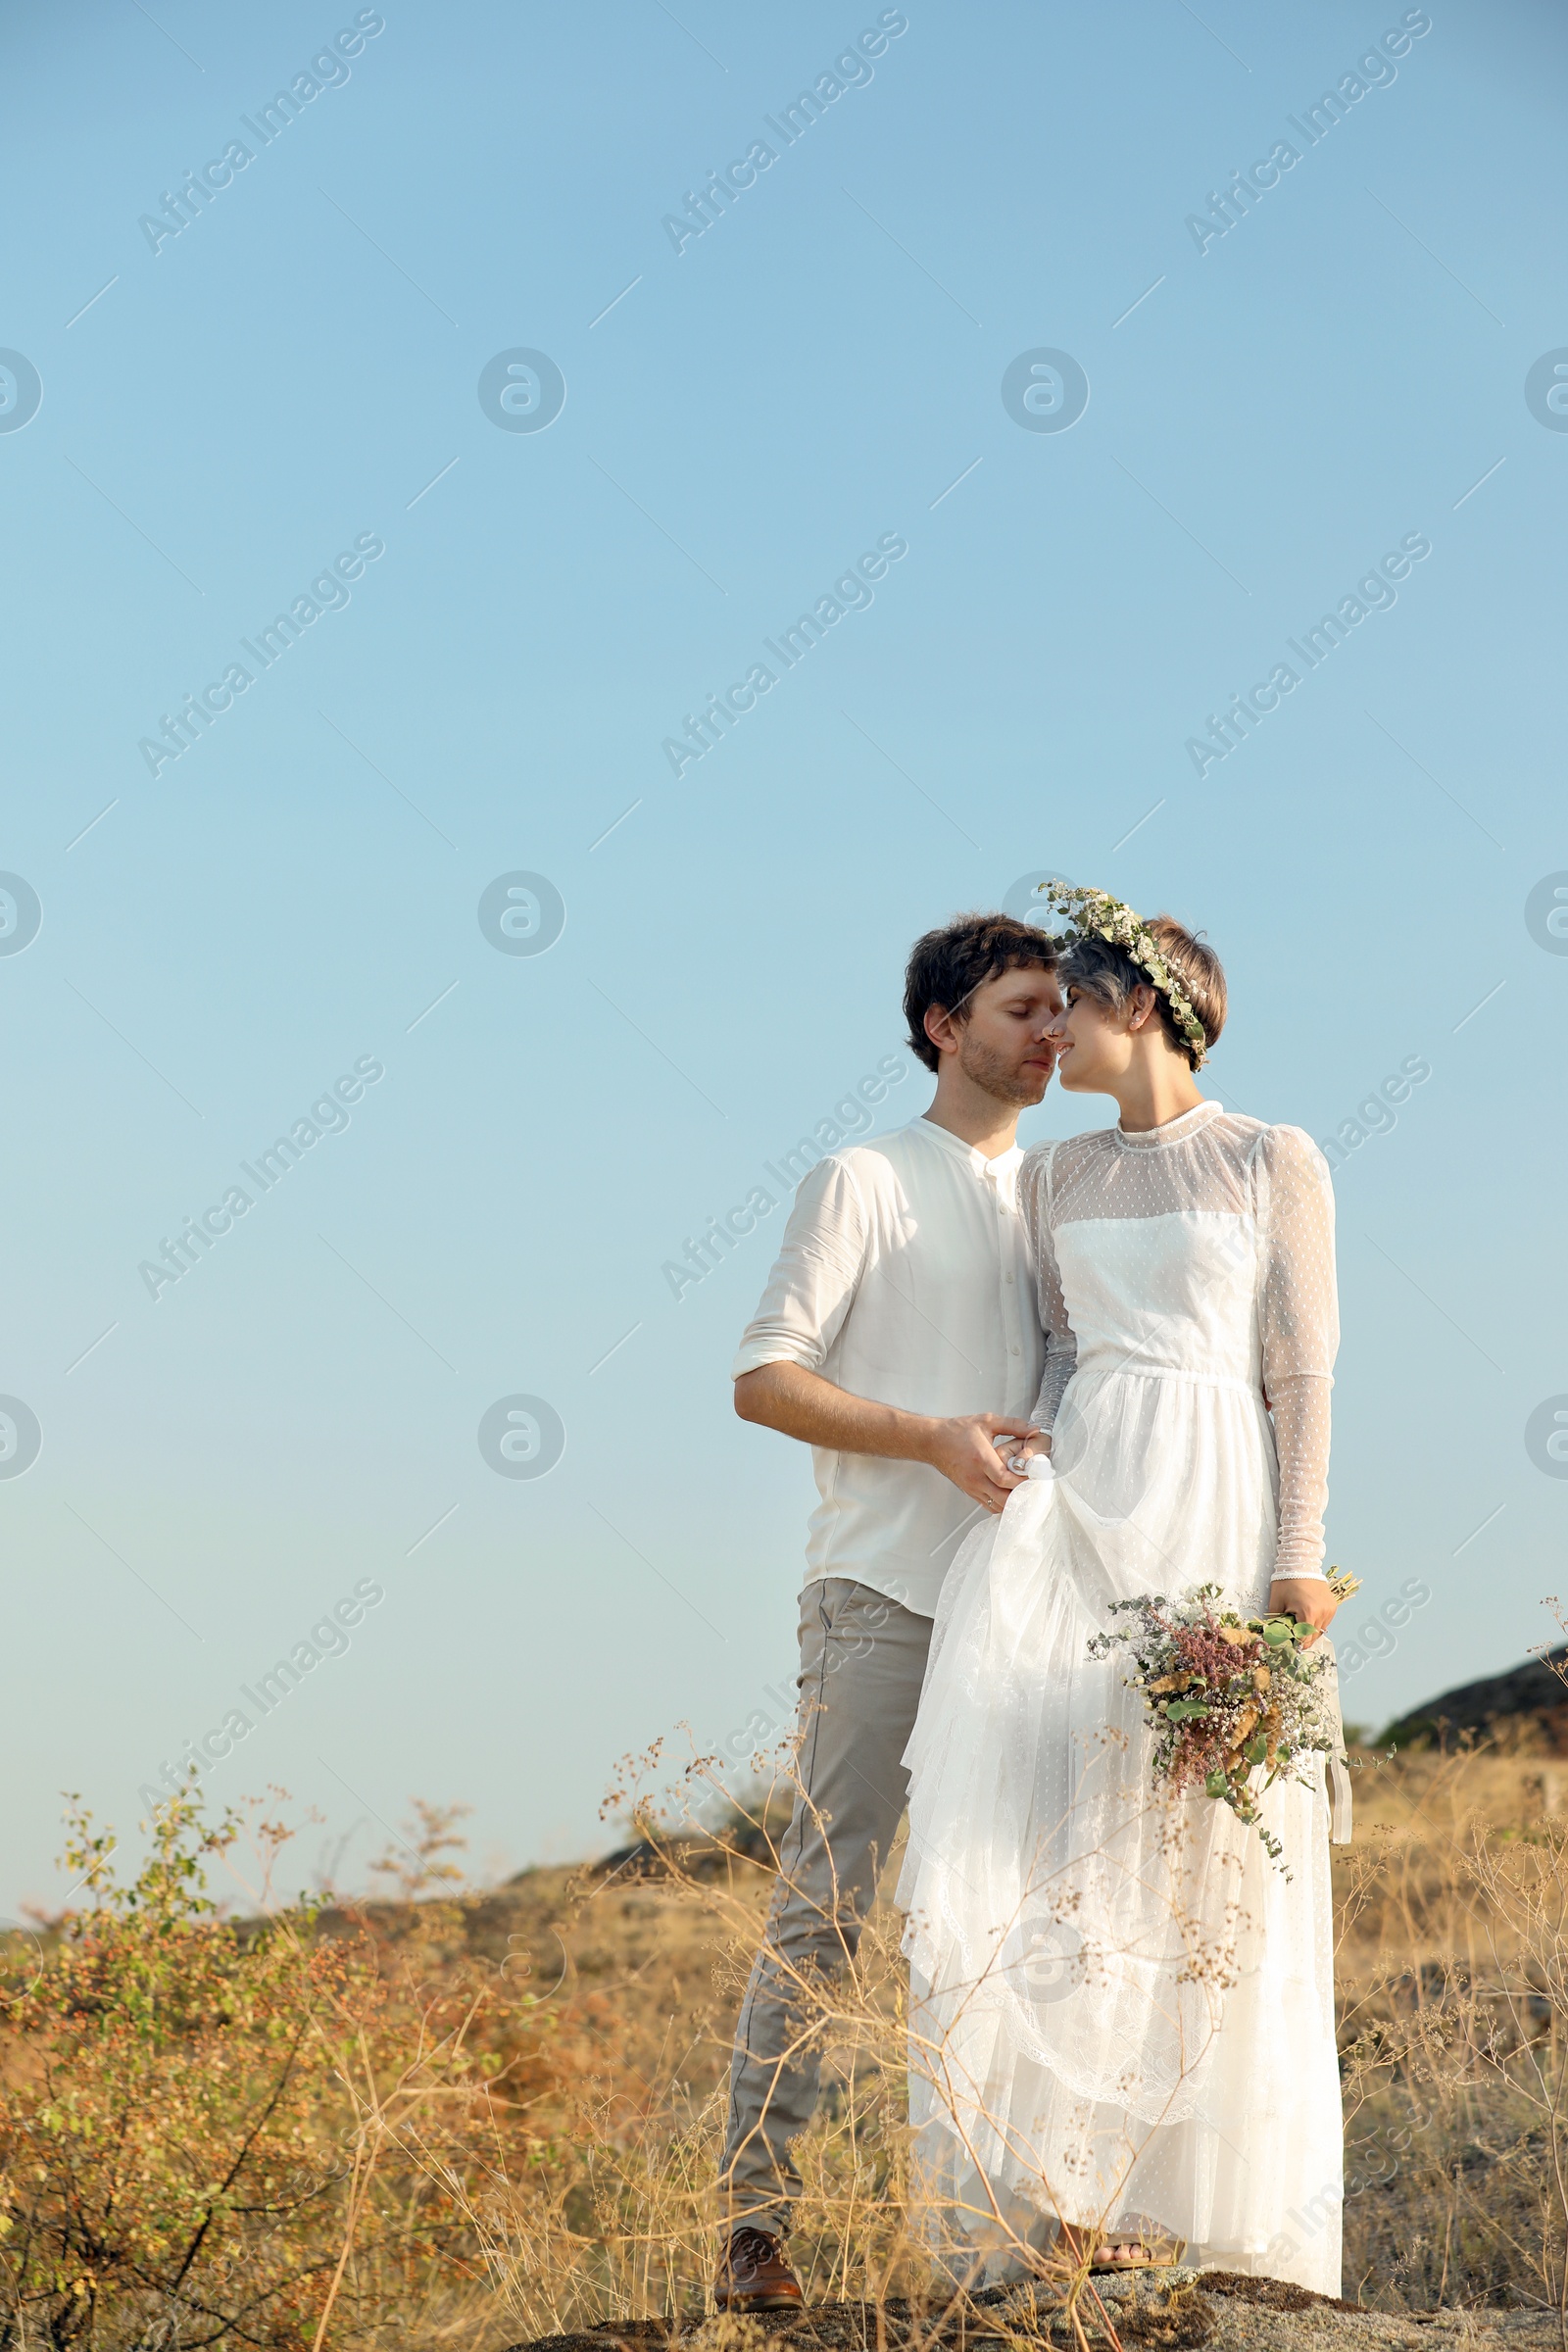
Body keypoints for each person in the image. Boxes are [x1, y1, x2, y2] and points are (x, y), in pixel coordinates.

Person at [898, 886, 1347, 2295]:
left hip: (1216, 1488)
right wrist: (1022, 1485)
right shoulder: (1058, 1177)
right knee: (1066, 1826)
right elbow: (1053, 1353)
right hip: (1086, 1498)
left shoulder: (1272, 1157)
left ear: (1139, 1006)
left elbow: (1301, 1370)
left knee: (1203, 1835)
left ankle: (1186, 2196)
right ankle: (1073, 2190)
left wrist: (1294, 1556)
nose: (1054, 1042)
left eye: (1070, 1010)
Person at [714, 912, 1064, 2313]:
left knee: (1026, 1916)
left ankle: (1028, 2224)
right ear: (943, 1023)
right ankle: (754, 2231)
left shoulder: (1065, 1196)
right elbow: (762, 1377)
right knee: (828, 1901)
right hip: (880, 1594)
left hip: (1028, 1608)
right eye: (1025, 1009)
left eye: (1061, 1012)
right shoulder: (860, 1178)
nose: (1053, 1033)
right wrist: (926, 1437)